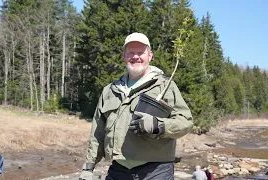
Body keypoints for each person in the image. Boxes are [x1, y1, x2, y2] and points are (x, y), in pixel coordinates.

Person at [79, 32, 193, 180]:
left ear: (150, 56)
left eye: (141, 52)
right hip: (119, 169)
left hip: (156, 171)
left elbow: (186, 121)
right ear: (124, 56)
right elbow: (97, 133)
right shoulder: (110, 90)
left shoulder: (165, 85)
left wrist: (158, 125)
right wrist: (88, 167)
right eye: (131, 53)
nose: (135, 57)